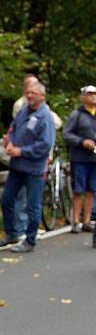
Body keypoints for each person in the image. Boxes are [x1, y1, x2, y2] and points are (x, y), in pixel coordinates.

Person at [0, 81, 55, 253]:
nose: (29, 96)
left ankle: (30, 240)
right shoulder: (23, 111)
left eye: (33, 93)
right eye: (28, 93)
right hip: (16, 166)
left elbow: (45, 145)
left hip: (34, 168)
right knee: (7, 200)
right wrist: (10, 140)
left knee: (32, 205)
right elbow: (13, 128)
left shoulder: (45, 117)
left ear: (42, 96)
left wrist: (22, 151)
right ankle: (11, 233)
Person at [61, 85, 96, 234]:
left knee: (91, 190)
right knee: (78, 190)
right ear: (83, 97)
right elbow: (66, 134)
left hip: (94, 158)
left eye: (95, 94)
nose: (93, 97)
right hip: (80, 158)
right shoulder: (77, 115)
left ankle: (87, 221)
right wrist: (82, 141)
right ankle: (75, 220)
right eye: (90, 94)